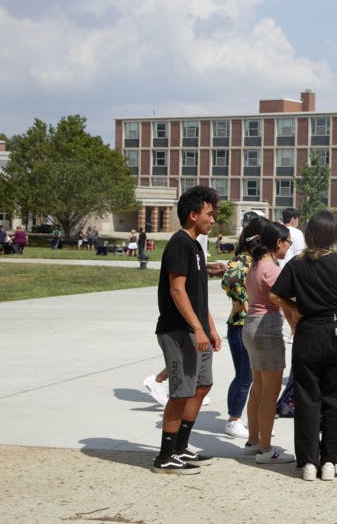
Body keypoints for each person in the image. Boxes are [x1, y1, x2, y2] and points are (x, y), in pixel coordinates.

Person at [269, 211, 337, 481]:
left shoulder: (297, 264)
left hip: (308, 332)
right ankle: (330, 461)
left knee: (306, 398)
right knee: (336, 399)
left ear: (310, 234)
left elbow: (275, 294)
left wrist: (296, 308)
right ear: (333, 235)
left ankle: (309, 462)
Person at [151, 185, 226, 474]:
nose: (213, 219)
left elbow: (197, 296)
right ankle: (165, 456)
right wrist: (196, 328)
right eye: (209, 214)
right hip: (177, 330)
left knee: (202, 385)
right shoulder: (179, 244)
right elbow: (177, 290)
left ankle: (180, 448)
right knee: (181, 392)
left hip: (196, 330)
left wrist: (211, 329)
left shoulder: (196, 246)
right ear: (193, 215)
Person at [243, 220, 296, 465]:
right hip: (267, 329)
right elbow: (284, 301)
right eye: (288, 242)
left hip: (251, 325)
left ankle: (254, 440)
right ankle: (266, 448)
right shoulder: (272, 269)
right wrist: (296, 325)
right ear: (278, 242)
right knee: (270, 393)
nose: (289, 247)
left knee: (258, 387)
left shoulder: (255, 266)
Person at [219, 216, 268, 440]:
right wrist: (245, 301)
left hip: (257, 325)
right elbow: (229, 280)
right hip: (240, 325)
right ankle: (233, 420)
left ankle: (253, 421)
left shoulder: (258, 261)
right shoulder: (242, 260)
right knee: (244, 375)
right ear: (258, 238)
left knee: (256, 376)